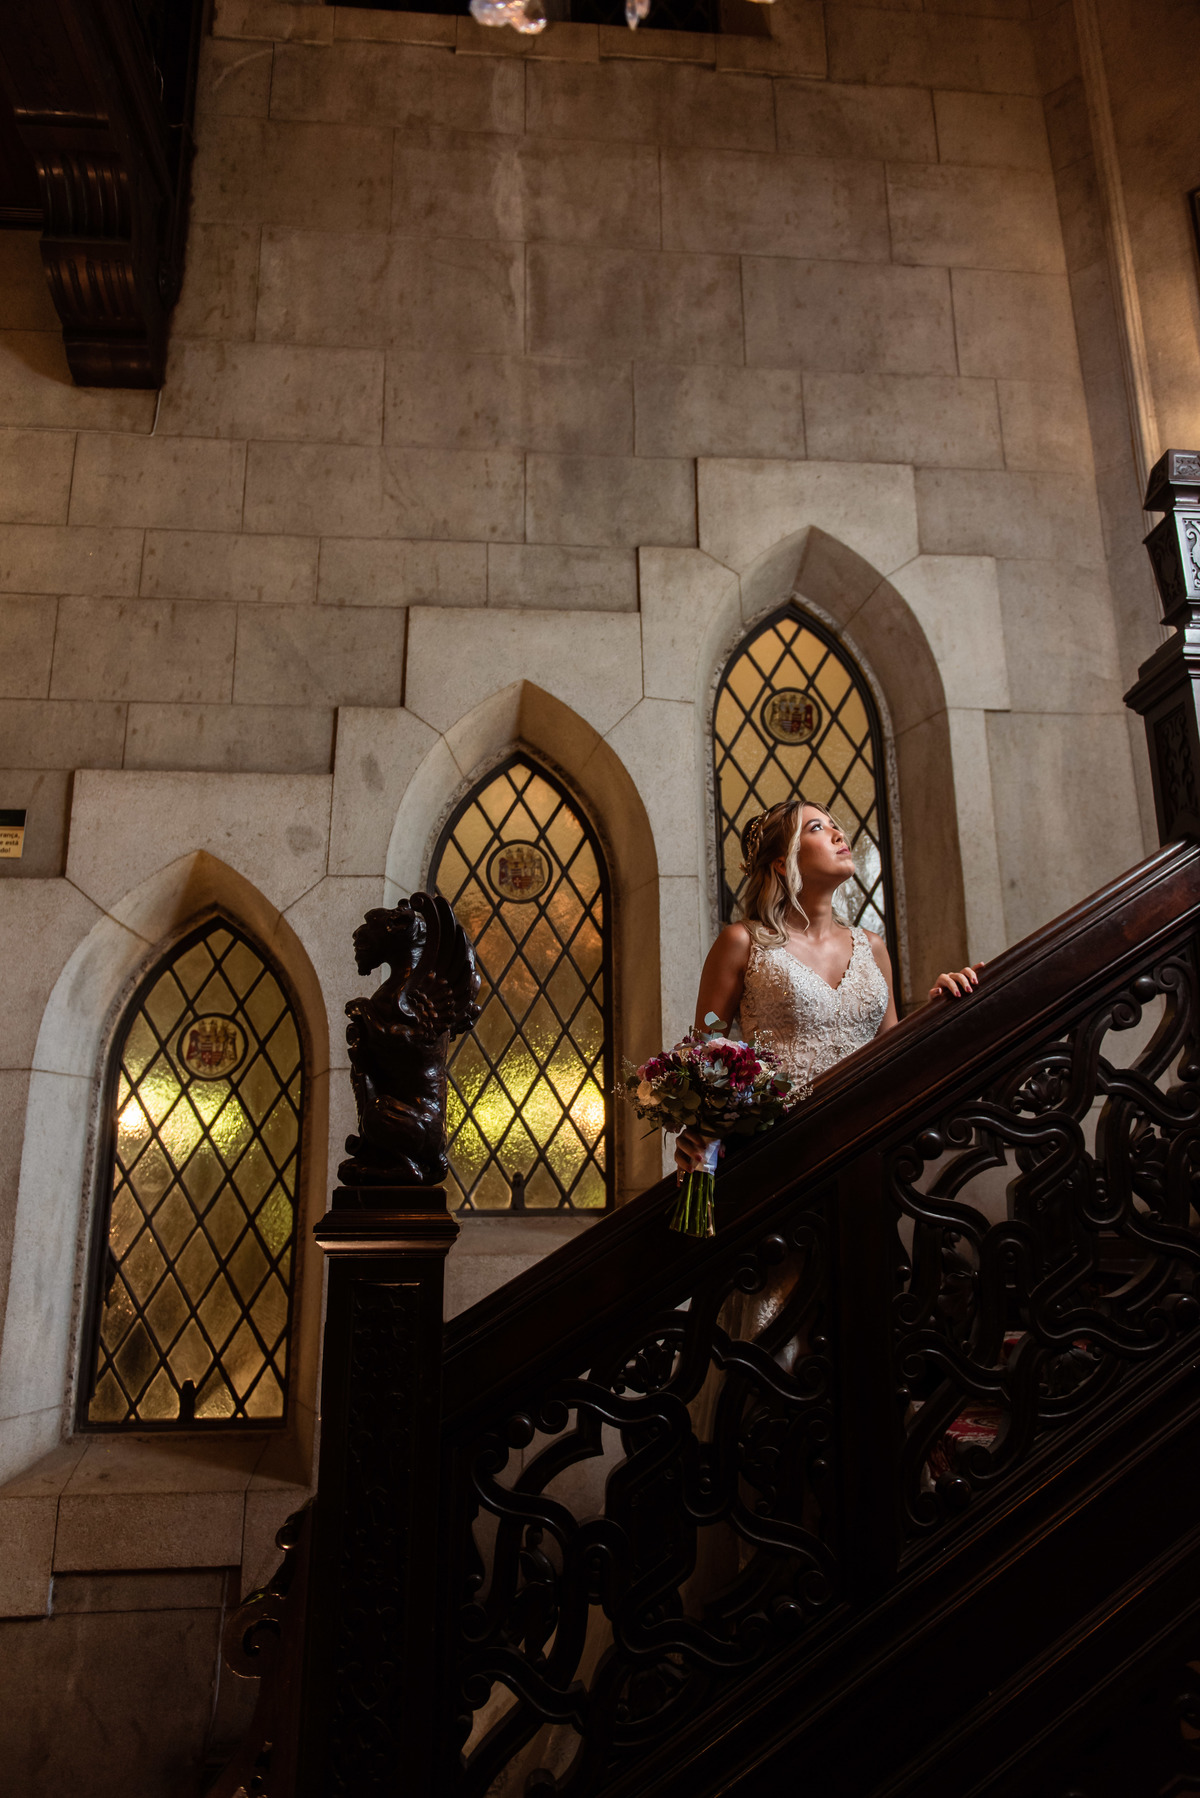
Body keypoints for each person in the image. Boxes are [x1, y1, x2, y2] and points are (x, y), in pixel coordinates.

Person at [676, 798, 979, 1177]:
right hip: (782, 1148)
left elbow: (894, 1047)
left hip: (870, 1140)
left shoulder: (872, 947)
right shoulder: (743, 942)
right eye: (817, 828)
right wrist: (698, 1130)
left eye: (834, 825)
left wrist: (938, 1007)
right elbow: (705, 1045)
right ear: (783, 863)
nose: (839, 834)